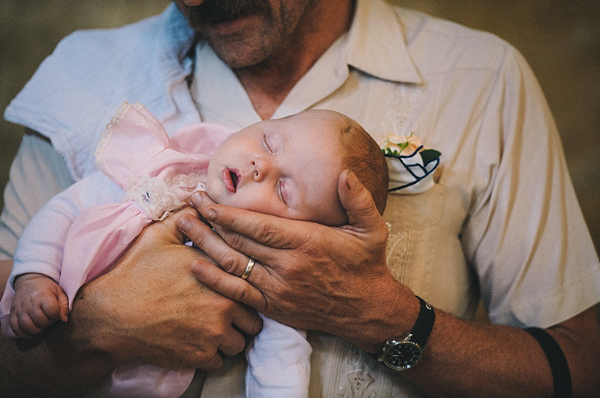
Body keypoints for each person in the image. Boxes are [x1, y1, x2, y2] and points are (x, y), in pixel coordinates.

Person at [1, 0, 599, 397]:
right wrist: (101, 325)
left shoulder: (479, 79)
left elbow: (580, 363)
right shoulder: (87, 77)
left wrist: (381, 315)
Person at [0, 103, 388, 397]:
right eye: (269, 141)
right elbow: (65, 209)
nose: (259, 166)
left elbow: (282, 357)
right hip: (49, 329)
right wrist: (35, 274)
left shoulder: (272, 273)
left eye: (285, 190)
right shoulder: (161, 175)